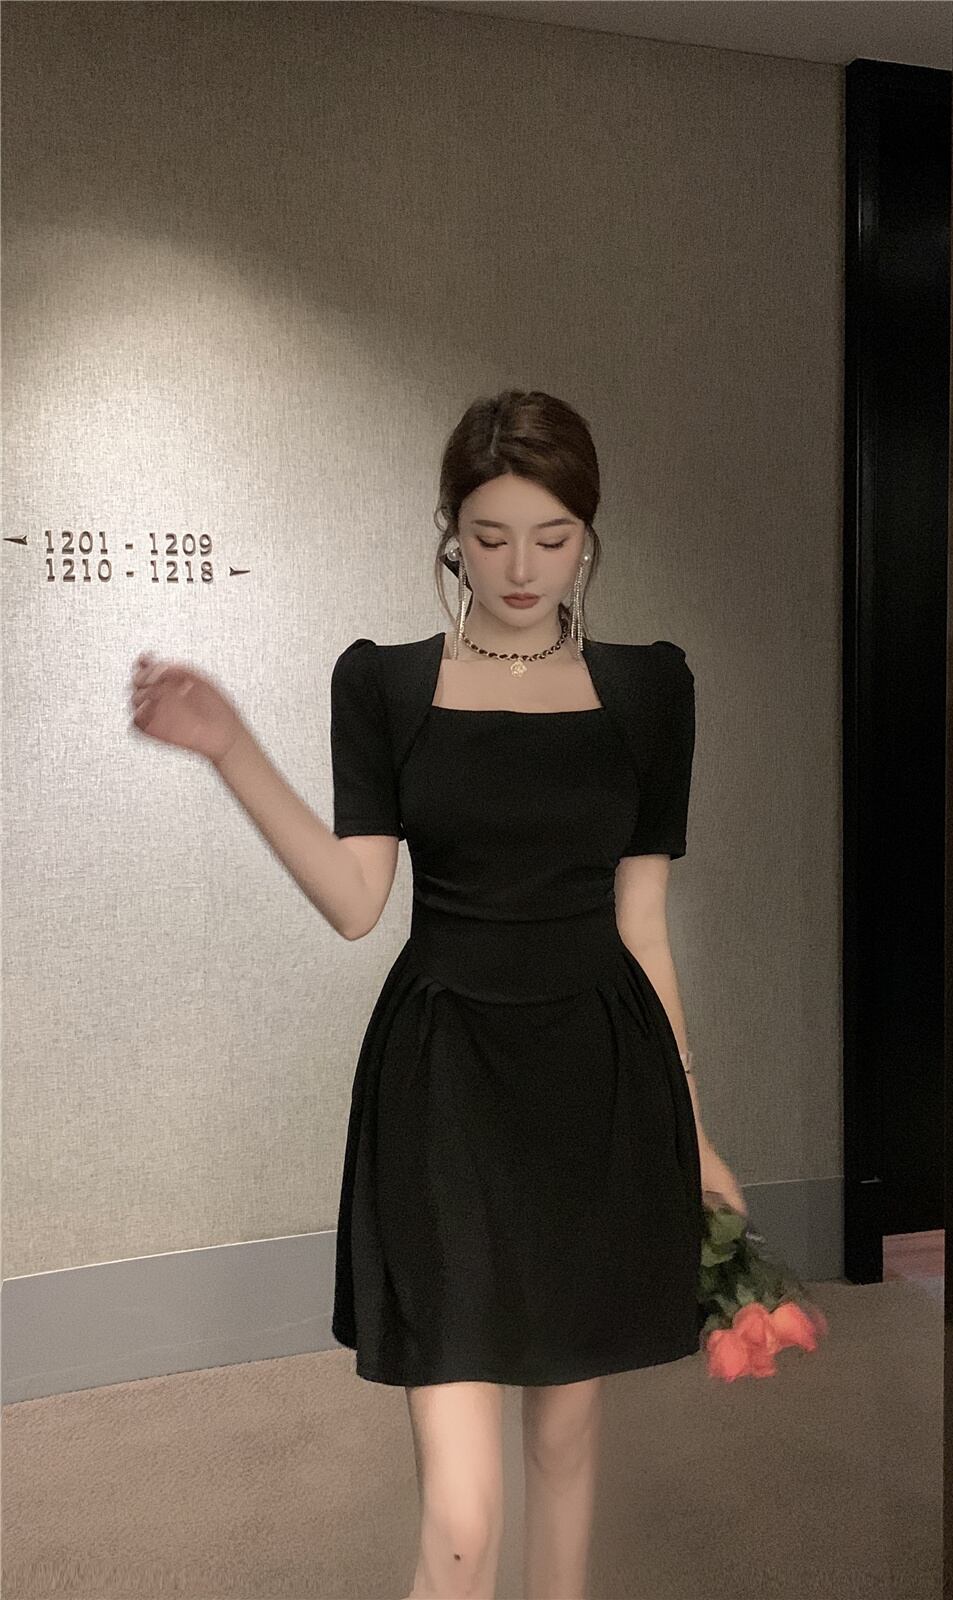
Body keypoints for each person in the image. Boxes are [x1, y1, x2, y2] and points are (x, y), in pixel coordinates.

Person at [128, 388, 747, 1600]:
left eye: (551, 536)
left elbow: (642, 922)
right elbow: (357, 900)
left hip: (596, 1083)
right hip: (443, 1086)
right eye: (491, 534)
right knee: (462, 1518)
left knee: (566, 1437)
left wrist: (697, 1128)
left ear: (589, 534)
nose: (521, 567)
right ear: (450, 532)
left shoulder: (651, 690)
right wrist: (231, 748)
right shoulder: (385, 684)